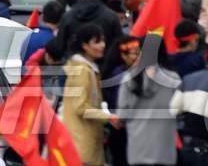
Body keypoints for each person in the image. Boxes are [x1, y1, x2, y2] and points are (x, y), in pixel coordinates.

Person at [117, 37, 183, 166]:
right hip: (164, 150)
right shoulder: (173, 79)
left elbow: (122, 115)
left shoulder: (128, 79)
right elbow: (179, 111)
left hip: (138, 150)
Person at [62, 25, 118, 165]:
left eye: (103, 41)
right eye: (97, 42)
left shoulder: (85, 68)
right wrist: (108, 117)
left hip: (84, 138)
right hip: (81, 141)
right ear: (85, 45)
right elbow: (80, 107)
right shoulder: (82, 70)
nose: (102, 45)